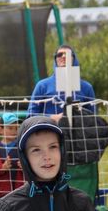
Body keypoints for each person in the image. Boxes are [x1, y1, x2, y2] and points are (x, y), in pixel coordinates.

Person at [28, 45, 101, 200]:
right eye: (59, 55)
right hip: (50, 140)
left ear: (74, 59)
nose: (63, 58)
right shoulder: (43, 85)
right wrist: (51, 118)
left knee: (76, 184)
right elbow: (31, 114)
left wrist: (76, 117)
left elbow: (93, 117)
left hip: (77, 144)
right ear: (54, 60)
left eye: (68, 55)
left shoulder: (85, 87)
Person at [0, 112, 23, 198]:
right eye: (10, 128)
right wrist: (2, 167)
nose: (14, 131)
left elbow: (31, 163)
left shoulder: (22, 146)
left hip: (21, 191)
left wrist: (24, 166)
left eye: (17, 128)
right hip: (3, 192)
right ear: (0, 130)